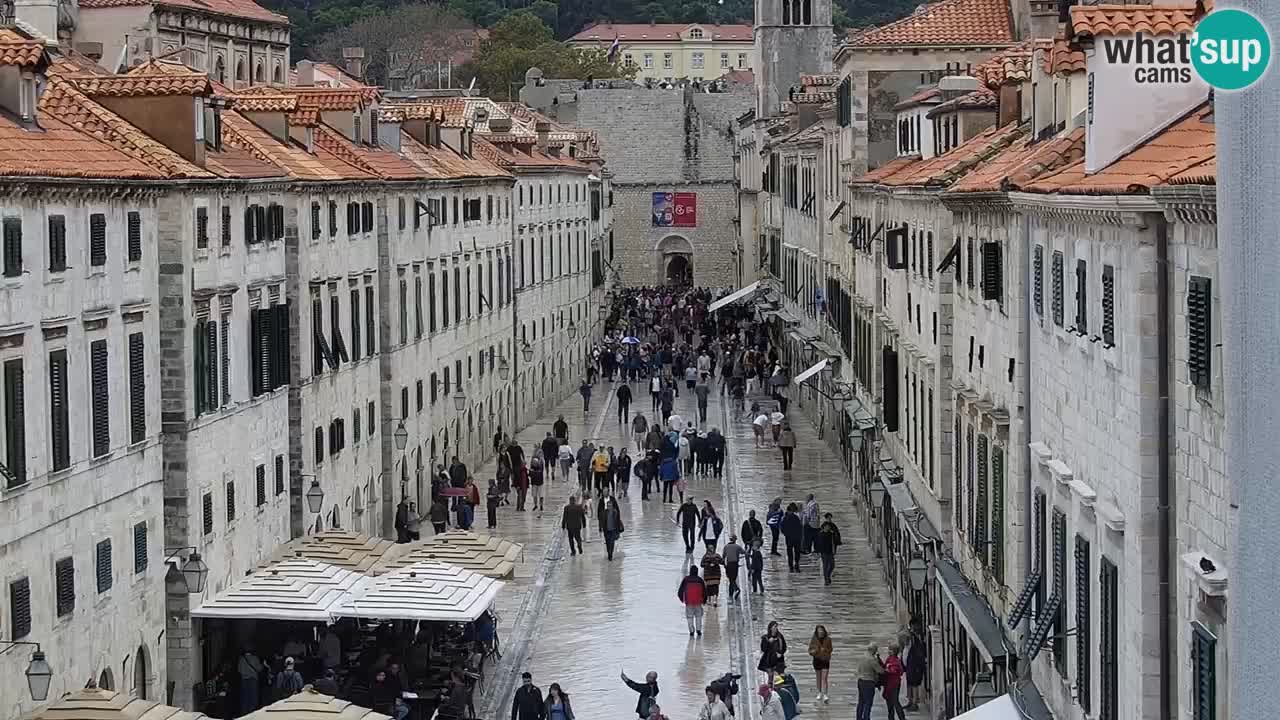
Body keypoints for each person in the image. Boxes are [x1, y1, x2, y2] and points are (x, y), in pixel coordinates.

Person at [903, 616, 928, 711]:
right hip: (909, 664)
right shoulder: (911, 637)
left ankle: (914, 703)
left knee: (914, 683)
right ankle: (910, 701)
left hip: (915, 665)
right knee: (910, 683)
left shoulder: (917, 639)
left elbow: (919, 653)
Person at [855, 643, 883, 720]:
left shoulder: (862, 656)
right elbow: (880, 671)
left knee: (861, 702)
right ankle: (866, 718)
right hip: (868, 682)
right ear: (874, 650)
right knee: (868, 702)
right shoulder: (872, 659)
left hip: (860, 681)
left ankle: (859, 717)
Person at [677, 566, 708, 636]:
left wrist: (683, 599)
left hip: (689, 602)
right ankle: (698, 630)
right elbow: (704, 592)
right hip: (698, 601)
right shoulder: (700, 580)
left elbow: (680, 591)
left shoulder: (686, 579)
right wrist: (704, 601)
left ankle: (691, 631)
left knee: (689, 617)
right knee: (698, 616)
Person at [815, 513, 843, 585]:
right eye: (828, 518)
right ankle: (826, 580)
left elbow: (836, 537)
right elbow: (818, 543)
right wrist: (818, 551)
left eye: (830, 517)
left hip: (830, 551)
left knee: (832, 565)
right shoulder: (820, 534)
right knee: (825, 565)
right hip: (824, 552)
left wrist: (837, 543)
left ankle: (827, 575)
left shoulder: (832, 532)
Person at [882, 643, 907, 720]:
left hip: (894, 684)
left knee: (895, 702)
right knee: (889, 703)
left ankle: (902, 718)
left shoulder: (896, 660)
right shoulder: (889, 658)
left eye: (890, 650)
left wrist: (887, 670)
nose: (888, 651)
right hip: (888, 684)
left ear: (894, 651)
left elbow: (897, 671)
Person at [809, 625, 833, 703]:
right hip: (817, 660)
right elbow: (810, 650)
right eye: (819, 631)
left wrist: (825, 650)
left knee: (824, 678)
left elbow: (830, 649)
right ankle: (819, 692)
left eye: (822, 630)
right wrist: (816, 650)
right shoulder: (814, 639)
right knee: (818, 677)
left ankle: (825, 694)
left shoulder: (828, 639)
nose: (821, 632)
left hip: (825, 660)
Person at [601, 494, 625, 560]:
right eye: (608, 506)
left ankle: (610, 554)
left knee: (612, 543)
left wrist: (618, 531)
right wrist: (601, 528)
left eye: (610, 506)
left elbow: (618, 521)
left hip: (613, 530)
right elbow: (602, 521)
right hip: (606, 531)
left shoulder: (615, 512)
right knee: (608, 543)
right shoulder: (604, 513)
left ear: (612, 506)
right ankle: (609, 552)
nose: (609, 507)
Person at [781, 503, 803, 572]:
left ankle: (794, 565)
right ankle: (793, 565)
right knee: (792, 552)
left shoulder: (792, 518)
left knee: (794, 552)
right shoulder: (787, 518)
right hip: (792, 538)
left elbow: (799, 527)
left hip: (794, 538)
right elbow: (783, 529)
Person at [721, 534, 743, 600]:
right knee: (733, 578)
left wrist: (724, 564)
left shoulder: (726, 547)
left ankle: (735, 590)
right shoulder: (737, 547)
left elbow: (723, 556)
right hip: (735, 565)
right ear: (735, 540)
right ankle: (733, 592)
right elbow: (744, 552)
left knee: (730, 579)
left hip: (729, 565)